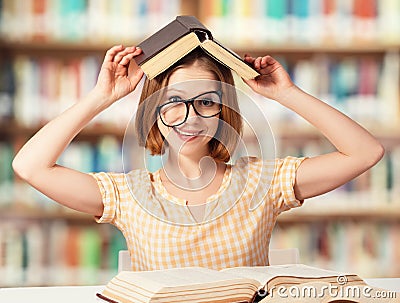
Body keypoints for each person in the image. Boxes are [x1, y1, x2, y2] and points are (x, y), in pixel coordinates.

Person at [12, 44, 384, 271]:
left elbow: (366, 152)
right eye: (174, 102)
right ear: (153, 111)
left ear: (224, 111)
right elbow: (29, 166)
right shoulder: (129, 194)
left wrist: (286, 94)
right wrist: (102, 96)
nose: (190, 117)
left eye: (206, 101)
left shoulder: (261, 183)